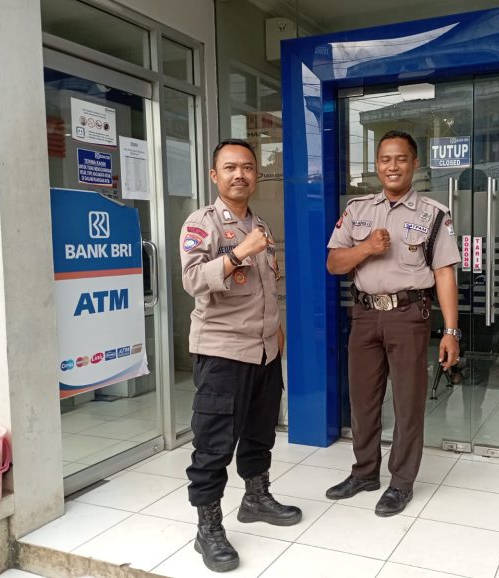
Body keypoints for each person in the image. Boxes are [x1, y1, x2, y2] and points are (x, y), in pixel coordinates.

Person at [325, 130, 461, 516]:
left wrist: (451, 331)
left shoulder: (433, 214)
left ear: (415, 164)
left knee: (408, 402)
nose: (392, 166)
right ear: (376, 165)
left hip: (408, 316)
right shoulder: (357, 210)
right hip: (365, 315)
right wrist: (366, 247)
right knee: (363, 401)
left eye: (401, 159)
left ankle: (401, 482)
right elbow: (333, 263)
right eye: (385, 159)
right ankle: (365, 472)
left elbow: (445, 274)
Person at [180, 139, 301, 573]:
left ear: (256, 175)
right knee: (213, 444)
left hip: (264, 350)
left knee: (259, 431)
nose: (240, 175)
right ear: (215, 175)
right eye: (230, 168)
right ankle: (208, 527)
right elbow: (193, 280)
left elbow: (267, 285)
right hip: (223, 352)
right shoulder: (203, 223)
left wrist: (276, 328)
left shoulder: (259, 224)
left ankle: (256, 497)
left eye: (247, 167)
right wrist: (237, 253)